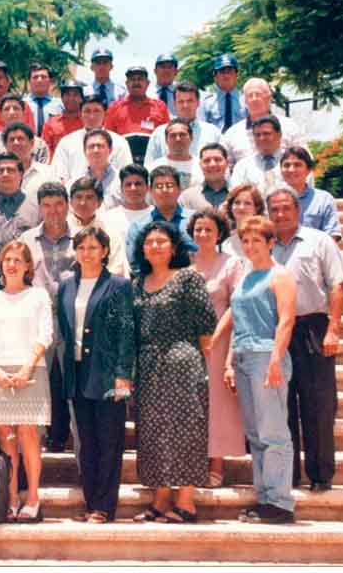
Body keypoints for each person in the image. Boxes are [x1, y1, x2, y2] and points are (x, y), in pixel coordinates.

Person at [211, 215, 298, 524]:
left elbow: (287, 320)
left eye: (256, 241)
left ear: (271, 243)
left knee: (274, 433)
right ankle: (265, 499)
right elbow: (236, 314)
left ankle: (280, 503)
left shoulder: (280, 275)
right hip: (244, 358)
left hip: (266, 357)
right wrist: (220, 348)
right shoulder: (246, 275)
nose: (249, 246)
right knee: (256, 434)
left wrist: (275, 359)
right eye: (245, 241)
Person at [130, 221, 217, 523]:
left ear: (174, 247)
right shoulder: (136, 282)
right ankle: (161, 498)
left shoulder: (188, 278)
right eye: (150, 241)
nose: (155, 246)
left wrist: (205, 361)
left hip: (183, 360)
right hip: (149, 364)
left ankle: (186, 502)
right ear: (142, 248)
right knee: (154, 432)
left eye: (162, 241)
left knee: (187, 428)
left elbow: (207, 322)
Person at [268, 186, 343, 493]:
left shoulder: (319, 241)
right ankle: (286, 476)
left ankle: (320, 474)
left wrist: (334, 328)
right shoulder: (265, 247)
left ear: (298, 210)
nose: (280, 214)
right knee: (282, 407)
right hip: (277, 331)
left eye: (286, 208)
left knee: (319, 404)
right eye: (274, 209)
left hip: (314, 328)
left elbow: (338, 283)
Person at [56, 227, 135, 523]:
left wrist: (123, 375)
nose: (86, 253)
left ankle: (104, 506)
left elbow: (126, 331)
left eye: (93, 247)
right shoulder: (66, 285)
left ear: (104, 251)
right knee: (86, 441)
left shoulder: (118, 285)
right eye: (81, 247)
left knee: (109, 441)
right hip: (77, 373)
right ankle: (90, 502)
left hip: (109, 375)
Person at [0, 240, 53, 522]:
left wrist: (26, 369)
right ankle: (10, 498)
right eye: (7, 259)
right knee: (6, 438)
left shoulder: (38, 297)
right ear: (0, 264)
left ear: (27, 266)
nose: (11, 264)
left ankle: (32, 497)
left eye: (17, 260)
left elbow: (44, 335)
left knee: (28, 435)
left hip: (30, 372)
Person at [188, 209, 246, 487]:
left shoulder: (232, 263)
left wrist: (216, 336)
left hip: (219, 342)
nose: (202, 234)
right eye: (198, 229)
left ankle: (217, 464)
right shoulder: (185, 263)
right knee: (192, 402)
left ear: (219, 233)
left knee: (218, 403)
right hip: (188, 342)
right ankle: (193, 462)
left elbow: (237, 304)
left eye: (208, 229)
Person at [20, 183, 77, 454]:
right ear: (39, 208)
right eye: (46, 205)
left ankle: (73, 439)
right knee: (41, 380)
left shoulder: (81, 238)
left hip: (73, 318)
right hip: (37, 319)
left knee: (71, 379)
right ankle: (40, 442)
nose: (53, 211)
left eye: (58, 204)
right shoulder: (27, 240)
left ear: (67, 205)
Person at [125, 166, 197, 275]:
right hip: (152, 286)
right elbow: (135, 264)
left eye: (169, 185)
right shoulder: (139, 226)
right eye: (159, 186)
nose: (164, 190)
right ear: (150, 191)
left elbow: (206, 253)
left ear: (179, 189)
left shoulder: (195, 220)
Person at [0, 153, 41, 269]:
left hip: (27, 275)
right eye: (0, 171)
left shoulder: (36, 207)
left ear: (21, 174)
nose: (5, 174)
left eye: (10, 170)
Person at [51, 93, 133, 186]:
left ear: (105, 114)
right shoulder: (67, 142)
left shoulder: (119, 143)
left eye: (97, 111)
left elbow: (127, 176)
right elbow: (58, 176)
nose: (92, 116)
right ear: (80, 114)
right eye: (87, 111)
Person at [223, 78, 308, 164]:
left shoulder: (289, 127)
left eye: (258, 94)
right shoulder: (232, 134)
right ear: (245, 101)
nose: (254, 99)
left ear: (269, 97)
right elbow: (226, 169)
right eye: (250, 95)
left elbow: (305, 161)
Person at [144, 82, 222, 167]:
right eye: (181, 101)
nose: (185, 106)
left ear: (198, 103)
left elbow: (223, 165)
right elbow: (149, 166)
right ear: (174, 104)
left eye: (190, 101)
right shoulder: (159, 133)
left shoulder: (213, 132)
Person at [65, 178, 130, 276]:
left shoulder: (109, 231)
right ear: (71, 201)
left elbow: (116, 268)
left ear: (99, 202)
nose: (83, 203)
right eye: (78, 197)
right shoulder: (61, 228)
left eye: (89, 197)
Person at [0, 95, 49, 176]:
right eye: (6, 109)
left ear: (24, 113)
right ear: (1, 115)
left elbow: (44, 174)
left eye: (16, 108)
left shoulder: (39, 145)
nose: (11, 112)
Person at [0, 122, 55, 201]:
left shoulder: (47, 174)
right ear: (5, 145)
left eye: (20, 139)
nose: (16, 143)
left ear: (32, 143)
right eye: (12, 140)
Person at [280, 147, 342, 239]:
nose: (291, 170)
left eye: (297, 165)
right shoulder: (271, 199)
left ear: (309, 170)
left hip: (315, 252)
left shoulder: (323, 199)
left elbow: (332, 235)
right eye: (286, 165)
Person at [229, 115, 295, 195]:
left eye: (266, 134)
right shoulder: (243, 166)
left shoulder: (293, 163)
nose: (261, 138)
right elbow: (236, 194)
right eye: (257, 135)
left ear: (279, 135)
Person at [64, 129, 123, 209]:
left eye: (100, 146)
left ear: (110, 150)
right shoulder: (73, 183)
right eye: (91, 147)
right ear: (85, 151)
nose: (96, 150)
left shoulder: (122, 181)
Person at [104, 66, 170, 136]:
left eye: (140, 79)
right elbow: (108, 136)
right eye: (132, 79)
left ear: (147, 83)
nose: (136, 82)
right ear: (127, 83)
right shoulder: (114, 108)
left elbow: (167, 134)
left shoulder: (160, 107)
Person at [98, 164, 153, 241]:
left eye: (138, 184)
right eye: (128, 184)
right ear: (121, 188)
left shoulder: (157, 216)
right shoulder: (108, 219)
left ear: (147, 187)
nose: (133, 188)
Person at [147, 118, 204, 189]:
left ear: (191, 138)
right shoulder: (154, 167)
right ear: (166, 140)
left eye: (182, 134)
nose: (178, 139)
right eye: (173, 135)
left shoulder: (203, 166)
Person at [198, 54, 246, 132]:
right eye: (222, 72)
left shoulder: (246, 100)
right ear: (215, 76)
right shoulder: (206, 103)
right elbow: (202, 129)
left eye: (229, 71)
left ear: (237, 75)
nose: (226, 75)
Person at [179, 143, 231, 211]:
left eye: (217, 159)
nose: (212, 164)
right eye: (207, 160)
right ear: (200, 165)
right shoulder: (187, 197)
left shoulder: (239, 195)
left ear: (227, 163)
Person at [221, 183, 266, 259]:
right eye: (237, 203)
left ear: (256, 208)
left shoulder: (266, 238)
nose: (241, 207)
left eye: (247, 203)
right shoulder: (224, 242)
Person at [42, 80, 85, 156]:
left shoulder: (87, 122)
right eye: (67, 95)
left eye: (75, 95)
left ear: (81, 99)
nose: (71, 98)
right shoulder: (51, 123)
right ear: (62, 98)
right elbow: (46, 150)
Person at [24, 62, 63, 136]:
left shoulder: (60, 105)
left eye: (43, 77)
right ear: (29, 81)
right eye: (35, 77)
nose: (39, 80)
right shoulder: (22, 104)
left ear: (50, 81)